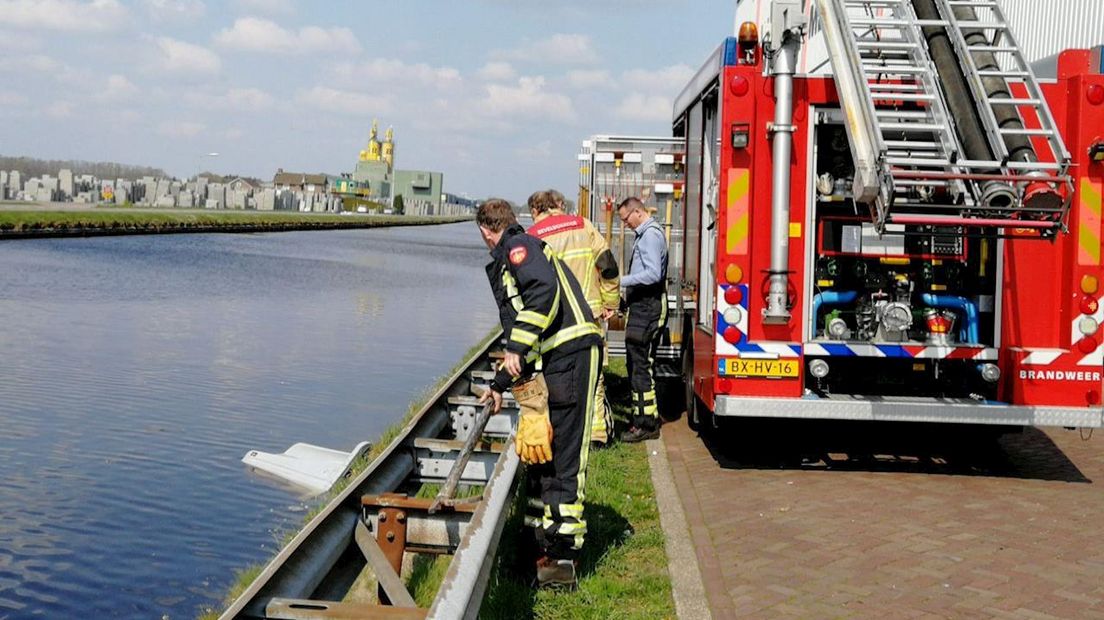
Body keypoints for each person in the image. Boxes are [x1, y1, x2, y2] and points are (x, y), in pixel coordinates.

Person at [475, 198, 602, 588]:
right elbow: (524, 328)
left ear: (485, 231)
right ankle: (542, 550)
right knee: (545, 456)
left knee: (564, 457)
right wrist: (499, 385)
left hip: (572, 355)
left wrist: (515, 349)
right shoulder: (522, 248)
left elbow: (541, 296)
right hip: (560, 356)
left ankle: (563, 559)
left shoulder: (519, 248)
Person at [527, 189, 620, 446]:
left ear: (536, 210)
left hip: (553, 320)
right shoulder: (583, 226)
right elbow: (609, 265)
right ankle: (597, 435)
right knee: (594, 376)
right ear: (558, 205)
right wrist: (610, 301)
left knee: (556, 376)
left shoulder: (532, 237)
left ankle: (562, 435)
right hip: (589, 314)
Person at [617, 196, 669, 443]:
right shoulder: (646, 234)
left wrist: (621, 281)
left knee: (640, 367)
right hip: (641, 307)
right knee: (636, 365)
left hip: (648, 308)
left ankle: (646, 424)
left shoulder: (649, 235)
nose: (625, 224)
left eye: (625, 219)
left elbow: (652, 274)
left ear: (637, 212)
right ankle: (642, 417)